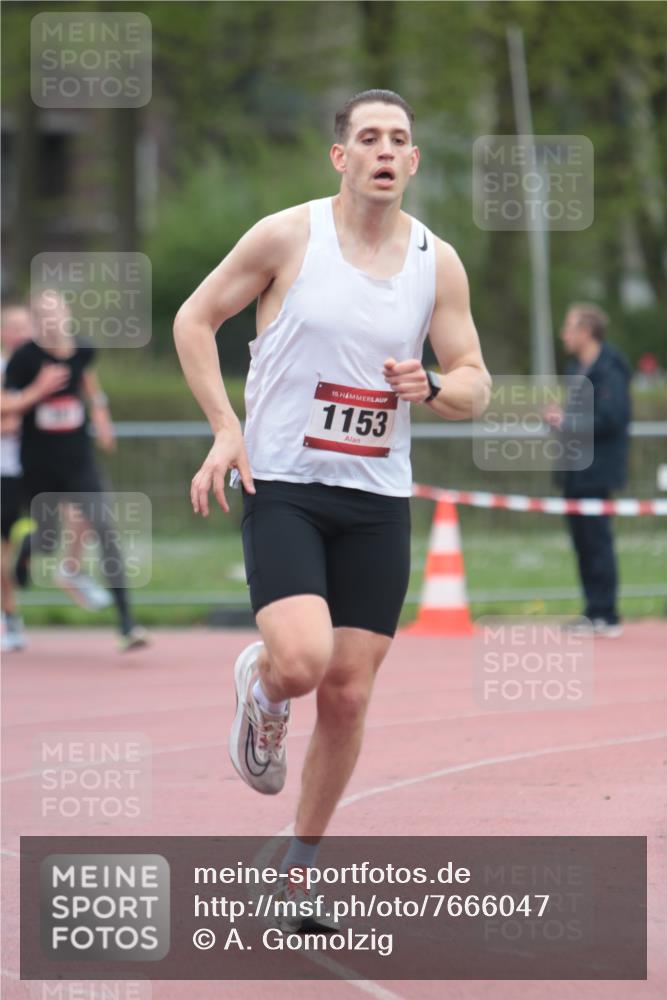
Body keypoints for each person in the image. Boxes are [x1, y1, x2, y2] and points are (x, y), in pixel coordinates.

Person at [174, 89, 491, 915]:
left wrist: (435, 385)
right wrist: (223, 428)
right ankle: (265, 684)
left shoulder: (435, 260)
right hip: (284, 486)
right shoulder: (288, 236)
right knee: (305, 663)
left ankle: (297, 863)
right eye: (369, 138)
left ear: (412, 162)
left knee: (349, 692)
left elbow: (475, 382)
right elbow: (194, 318)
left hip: (376, 497)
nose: (385, 151)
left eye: (400, 140)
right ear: (340, 157)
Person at [4, 290, 149, 652]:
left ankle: (127, 622)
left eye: (59, 312)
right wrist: (37, 391)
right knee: (48, 537)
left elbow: (89, 386)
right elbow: (5, 404)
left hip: (79, 459)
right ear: (37, 323)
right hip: (38, 465)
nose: (54, 321)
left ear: (68, 314)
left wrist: (101, 417)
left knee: (104, 527)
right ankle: (27, 549)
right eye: (45, 316)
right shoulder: (24, 359)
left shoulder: (83, 351)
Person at [546, 303, 631, 637]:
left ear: (586, 331)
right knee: (582, 542)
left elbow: (612, 419)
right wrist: (559, 422)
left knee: (598, 541)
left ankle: (607, 614)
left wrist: (568, 422)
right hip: (574, 471)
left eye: (569, 327)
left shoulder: (611, 369)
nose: (564, 334)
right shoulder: (574, 369)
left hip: (598, 470)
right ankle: (592, 610)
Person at [1, 303, 69, 651]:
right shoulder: (6, 368)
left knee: (54, 532)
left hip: (34, 468)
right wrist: (34, 395)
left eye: (26, 326)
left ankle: (39, 557)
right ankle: (11, 619)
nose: (21, 332)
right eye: (13, 326)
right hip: (4, 472)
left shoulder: (44, 363)